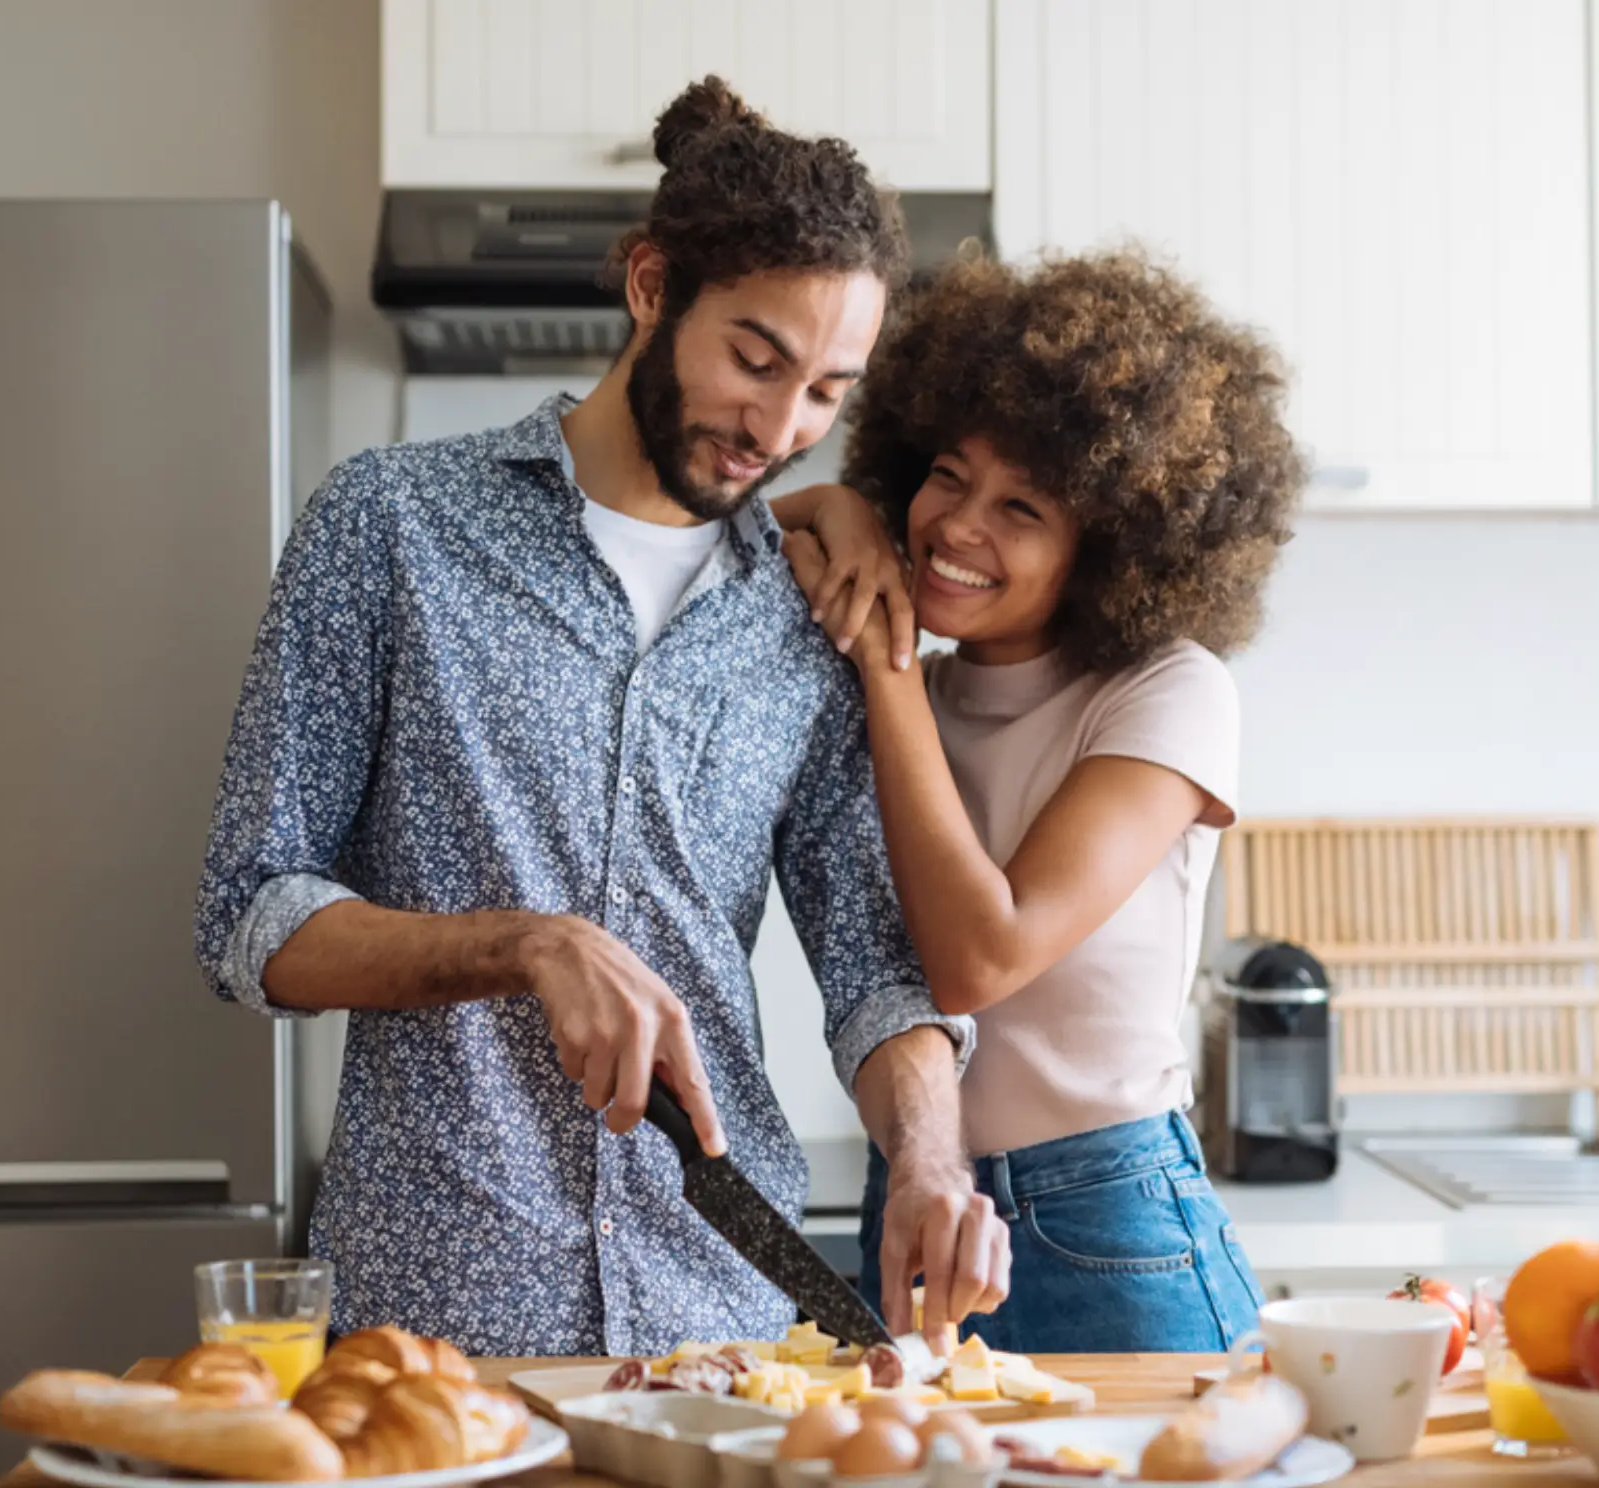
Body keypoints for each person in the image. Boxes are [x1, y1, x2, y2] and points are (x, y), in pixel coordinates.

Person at [194, 79, 1008, 1357]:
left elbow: (876, 970)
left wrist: (928, 1160)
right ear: (650, 286)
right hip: (441, 1320)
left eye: (825, 392)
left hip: (719, 1323)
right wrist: (525, 944)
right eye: (755, 360)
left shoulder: (811, 608)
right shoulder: (394, 527)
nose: (778, 427)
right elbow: (249, 919)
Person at [771, 248, 1303, 1352]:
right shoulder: (920, 692)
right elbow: (710, 563)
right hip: (919, 1198)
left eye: (1022, 507)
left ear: (1106, 546)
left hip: (1111, 1218)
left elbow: (980, 957)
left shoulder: (1168, 691)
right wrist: (835, 508)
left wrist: (885, 664)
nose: (960, 527)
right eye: (948, 476)